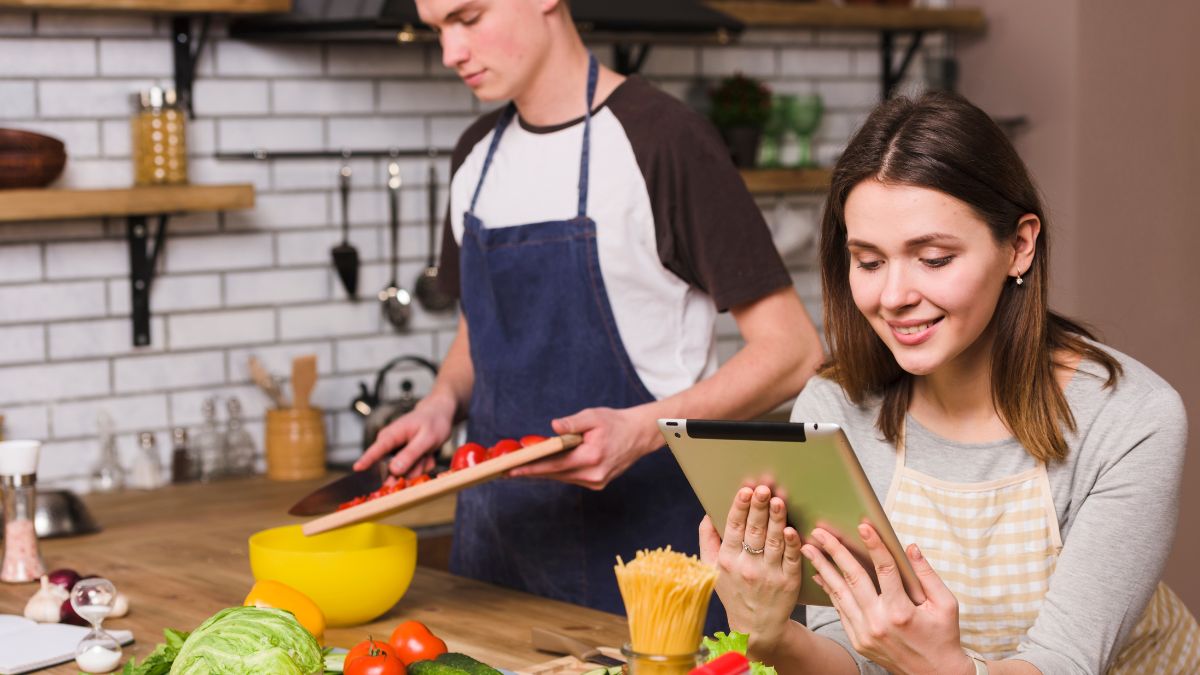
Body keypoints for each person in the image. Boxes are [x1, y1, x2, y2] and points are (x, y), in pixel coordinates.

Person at [700, 91, 1200, 674]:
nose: (893, 297)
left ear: (1019, 245)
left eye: (933, 258)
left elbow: (1064, 662)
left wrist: (942, 666)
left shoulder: (1131, 419)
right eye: (868, 261)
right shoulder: (835, 405)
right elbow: (851, 655)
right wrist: (767, 634)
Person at [354, 0, 823, 621]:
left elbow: (792, 352)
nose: (450, 53)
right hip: (495, 556)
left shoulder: (663, 139)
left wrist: (641, 430)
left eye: (468, 19)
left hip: (648, 558)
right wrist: (442, 402)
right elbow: (481, 329)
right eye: (437, 28)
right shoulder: (474, 156)